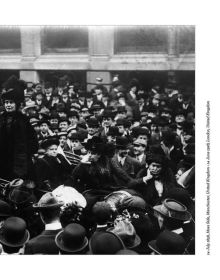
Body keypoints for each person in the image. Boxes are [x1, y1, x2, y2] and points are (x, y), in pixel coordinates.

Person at [0, 76, 38, 180]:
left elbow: (32, 141)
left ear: (16, 104)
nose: (8, 105)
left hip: (19, 161)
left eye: (11, 102)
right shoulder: (1, 118)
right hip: (3, 158)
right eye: (6, 102)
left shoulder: (23, 120)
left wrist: (27, 154)